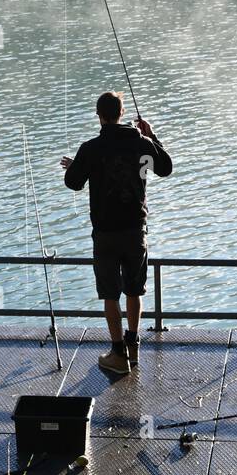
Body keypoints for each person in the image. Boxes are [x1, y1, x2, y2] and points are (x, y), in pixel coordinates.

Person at [61, 91, 172, 374]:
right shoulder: (142, 142)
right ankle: (133, 344)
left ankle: (117, 353)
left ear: (99, 115)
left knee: (110, 294)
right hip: (136, 229)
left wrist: (75, 166)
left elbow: (73, 183)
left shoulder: (91, 147)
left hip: (106, 232)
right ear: (122, 113)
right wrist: (152, 136)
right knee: (135, 289)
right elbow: (165, 169)